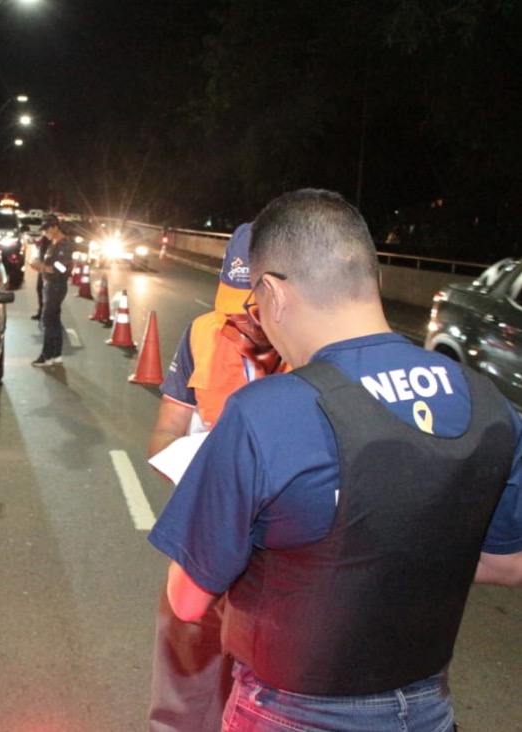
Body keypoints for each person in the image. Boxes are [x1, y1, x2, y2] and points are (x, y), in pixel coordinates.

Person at [149, 188, 522, 732]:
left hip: (288, 712)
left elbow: (185, 599)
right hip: (427, 710)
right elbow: (511, 563)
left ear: (274, 293)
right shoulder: (490, 403)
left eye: (255, 306)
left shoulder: (266, 414)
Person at [146, 223, 286, 732]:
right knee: (182, 676)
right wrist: (207, 474)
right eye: (229, 304)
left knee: (261, 694)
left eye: (250, 308)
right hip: (206, 539)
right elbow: (164, 432)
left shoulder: (314, 353)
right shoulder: (203, 332)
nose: (239, 323)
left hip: (278, 562)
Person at [32, 215, 74, 367]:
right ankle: (56, 354)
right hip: (50, 284)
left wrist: (41, 267)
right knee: (54, 320)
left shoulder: (64, 245)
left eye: (47, 229)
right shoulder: (53, 243)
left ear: (55, 227)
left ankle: (47, 355)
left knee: (48, 320)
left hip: (56, 286)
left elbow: (63, 269)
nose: (45, 233)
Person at [30, 232, 52, 320]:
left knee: (49, 294)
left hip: (51, 273)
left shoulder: (56, 242)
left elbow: (62, 267)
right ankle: (42, 311)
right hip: (43, 268)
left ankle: (48, 314)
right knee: (40, 289)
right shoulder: (45, 237)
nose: (45, 231)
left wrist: (48, 268)